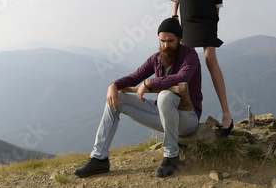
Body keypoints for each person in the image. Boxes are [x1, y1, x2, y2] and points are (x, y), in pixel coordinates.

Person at [73, 18, 202, 179]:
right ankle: (99, 158)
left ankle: (171, 155)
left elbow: (182, 77)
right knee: (117, 98)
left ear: (180, 39)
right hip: (163, 114)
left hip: (187, 118)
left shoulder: (190, 55)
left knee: (165, 95)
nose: (166, 45)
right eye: (162, 41)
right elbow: (134, 77)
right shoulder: (156, 58)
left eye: (170, 41)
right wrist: (113, 85)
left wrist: (149, 82)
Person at [170, 0, 233, 136]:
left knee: (209, 59)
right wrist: (173, 16)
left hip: (207, 17)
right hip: (186, 18)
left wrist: (215, 18)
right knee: (186, 62)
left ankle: (227, 115)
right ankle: (185, 114)